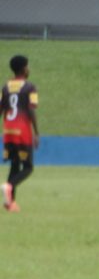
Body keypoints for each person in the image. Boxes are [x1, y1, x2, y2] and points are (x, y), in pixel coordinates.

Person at [1, 54, 39, 212]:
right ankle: (9, 185)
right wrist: (36, 132)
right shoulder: (30, 87)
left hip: (8, 131)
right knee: (28, 167)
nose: (29, 69)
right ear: (24, 68)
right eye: (27, 66)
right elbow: (31, 110)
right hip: (22, 132)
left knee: (15, 165)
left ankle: (10, 203)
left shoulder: (5, 87)